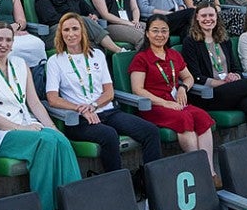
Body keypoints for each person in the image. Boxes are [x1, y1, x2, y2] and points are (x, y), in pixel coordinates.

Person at [0, 22, 82, 210]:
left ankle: (74, 207)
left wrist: (52, 127)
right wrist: (21, 128)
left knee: (61, 140)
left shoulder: (21, 64)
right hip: (1, 134)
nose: (3, 44)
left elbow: (35, 103)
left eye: (8, 40)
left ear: (13, 44)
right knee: (45, 141)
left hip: (28, 125)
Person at [45, 14, 163, 181]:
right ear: (60, 34)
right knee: (109, 135)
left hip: (107, 111)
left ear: (83, 32)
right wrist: (80, 108)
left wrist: (93, 105)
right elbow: (53, 98)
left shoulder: (97, 55)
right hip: (80, 119)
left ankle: (153, 183)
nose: (70, 34)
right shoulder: (55, 61)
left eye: (75, 29)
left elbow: (109, 92)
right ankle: (116, 186)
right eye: (66, 30)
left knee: (150, 131)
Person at [129, 17, 216, 178]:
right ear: (147, 34)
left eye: (164, 31)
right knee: (184, 118)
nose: (159, 35)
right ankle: (198, 172)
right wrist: (165, 103)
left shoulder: (173, 54)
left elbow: (189, 77)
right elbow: (138, 90)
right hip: (153, 106)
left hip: (177, 102)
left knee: (202, 117)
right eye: (155, 30)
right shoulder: (141, 58)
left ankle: (209, 171)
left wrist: (183, 88)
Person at [183, 4, 247, 134]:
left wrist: (235, 76)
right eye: (204, 15)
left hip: (228, 89)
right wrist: (221, 83)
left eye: (211, 15)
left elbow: (235, 68)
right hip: (208, 93)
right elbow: (195, 75)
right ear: (197, 18)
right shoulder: (190, 42)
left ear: (217, 17)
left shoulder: (223, 39)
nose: (208, 19)